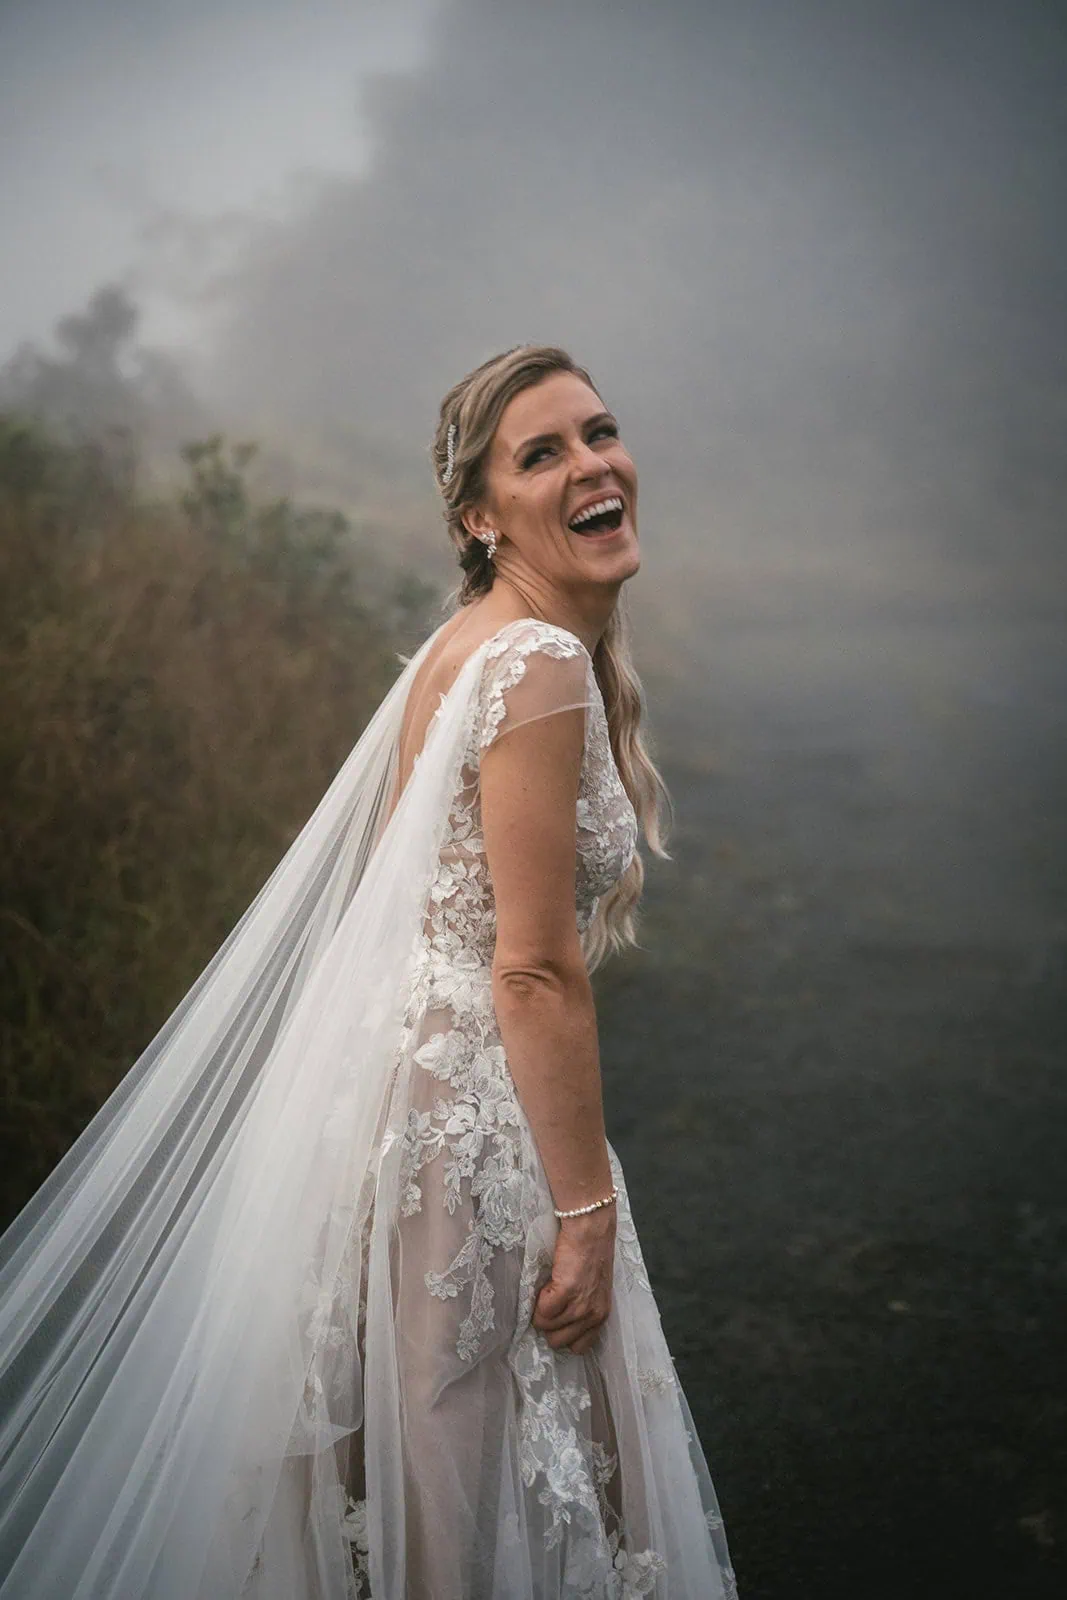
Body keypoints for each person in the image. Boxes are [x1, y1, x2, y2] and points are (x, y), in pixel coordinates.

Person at [0, 345, 736, 1598]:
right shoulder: (535, 663)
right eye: (540, 453)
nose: (591, 464)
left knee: (413, 1459)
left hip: (393, 1101)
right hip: (473, 1121)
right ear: (479, 515)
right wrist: (581, 1210)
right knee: (471, 1464)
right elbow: (531, 969)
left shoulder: (467, 645)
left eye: (598, 432)